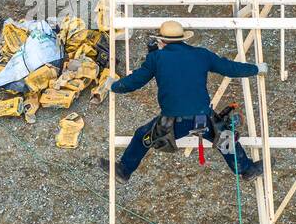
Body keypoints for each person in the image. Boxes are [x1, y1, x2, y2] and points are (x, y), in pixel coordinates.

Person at [103, 20, 266, 182]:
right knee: (225, 137)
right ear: (183, 38)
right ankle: (246, 169)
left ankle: (124, 170)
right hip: (203, 118)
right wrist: (256, 69)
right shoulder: (201, 54)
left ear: (161, 41)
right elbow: (230, 68)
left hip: (172, 122)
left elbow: (135, 81)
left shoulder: (156, 58)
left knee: (141, 136)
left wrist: (114, 86)